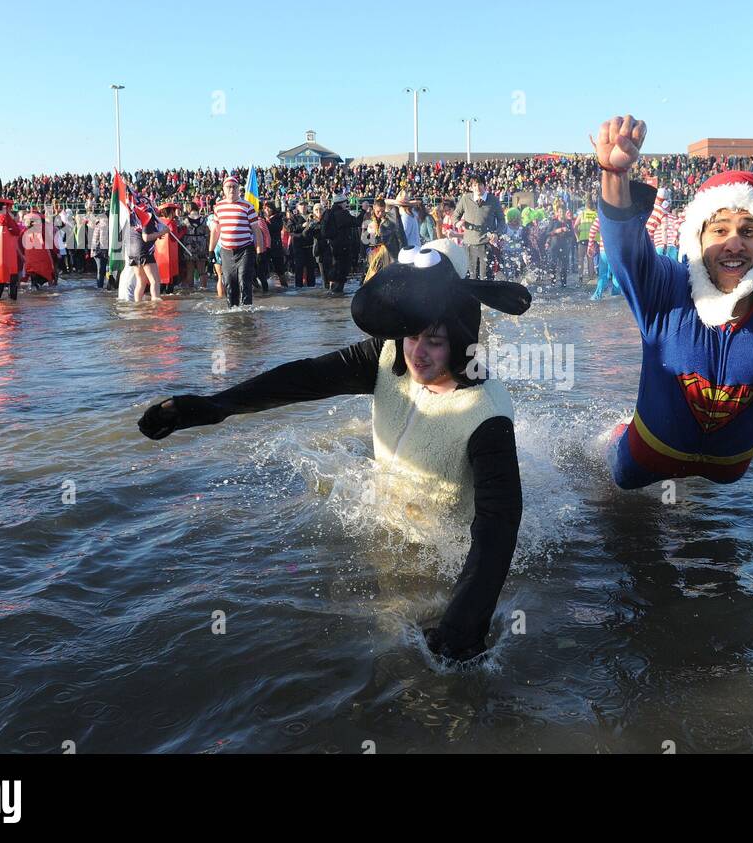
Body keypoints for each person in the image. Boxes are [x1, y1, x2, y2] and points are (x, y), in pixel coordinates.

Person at [137, 239, 532, 665]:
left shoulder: (485, 413)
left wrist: (462, 625)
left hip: (444, 548)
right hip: (389, 522)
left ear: (460, 341)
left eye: (434, 342)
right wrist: (216, 407)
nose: (418, 352)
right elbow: (305, 378)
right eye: (412, 336)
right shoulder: (386, 358)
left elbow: (498, 524)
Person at [593, 114, 753, 508]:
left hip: (728, 469)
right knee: (615, 491)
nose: (734, 244)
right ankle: (618, 433)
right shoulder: (664, 287)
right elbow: (626, 248)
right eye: (720, 230)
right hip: (644, 455)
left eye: (748, 231)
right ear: (698, 239)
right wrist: (614, 173)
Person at [210, 176, 263, 308]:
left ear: (239, 189)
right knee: (229, 282)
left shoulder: (247, 206)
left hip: (245, 249)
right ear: (224, 189)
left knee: (244, 281)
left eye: (234, 187)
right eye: (229, 187)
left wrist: (260, 251)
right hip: (226, 251)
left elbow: (256, 230)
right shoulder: (218, 207)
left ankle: (246, 310)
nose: (232, 189)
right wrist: (211, 251)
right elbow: (215, 230)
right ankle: (232, 310)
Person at [453, 176, 505, 280]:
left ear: (485, 186)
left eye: (480, 184)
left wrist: (496, 233)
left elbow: (502, 220)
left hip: (486, 244)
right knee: (471, 277)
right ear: (471, 187)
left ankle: (486, 296)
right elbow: (455, 216)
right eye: (475, 185)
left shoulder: (493, 200)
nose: (478, 187)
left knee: (485, 277)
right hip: (469, 244)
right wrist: (457, 223)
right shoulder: (465, 199)